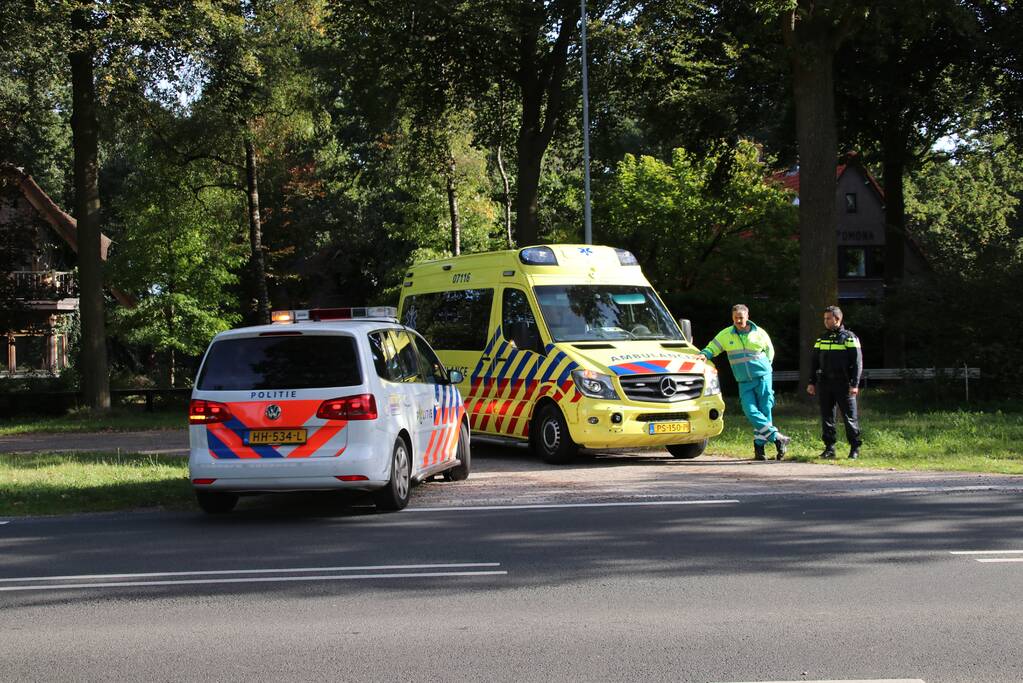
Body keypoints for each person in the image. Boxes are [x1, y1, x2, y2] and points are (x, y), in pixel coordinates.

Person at [700, 304, 791, 461]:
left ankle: (759, 449)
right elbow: (713, 347)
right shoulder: (726, 334)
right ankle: (777, 438)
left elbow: (770, 352)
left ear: (747, 316)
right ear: (732, 318)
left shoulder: (759, 333)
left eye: (741, 317)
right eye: (736, 318)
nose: (738, 320)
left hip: (762, 377)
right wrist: (704, 354)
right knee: (750, 411)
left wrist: (765, 370)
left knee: (765, 410)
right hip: (743, 381)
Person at [806, 305, 863, 459]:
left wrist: (855, 384)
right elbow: (814, 362)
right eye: (824, 318)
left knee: (849, 417)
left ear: (837, 319)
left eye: (828, 318)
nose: (825, 321)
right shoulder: (821, 338)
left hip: (844, 384)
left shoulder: (849, 337)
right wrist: (811, 382)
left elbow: (857, 363)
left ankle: (854, 448)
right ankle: (829, 448)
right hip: (825, 383)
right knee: (827, 417)